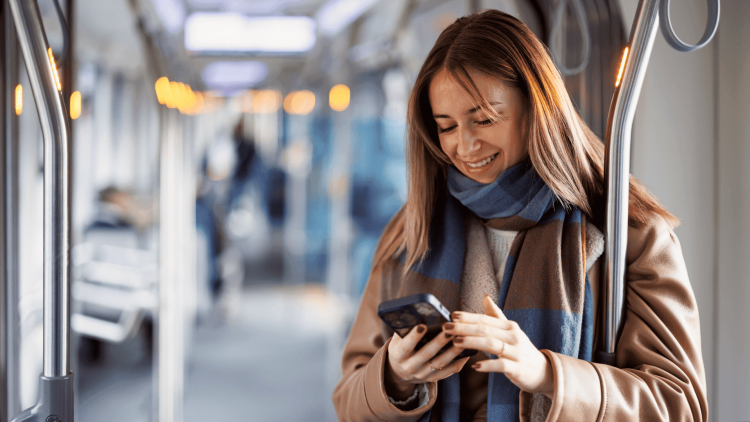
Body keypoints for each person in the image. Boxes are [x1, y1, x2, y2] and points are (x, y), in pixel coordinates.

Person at [332, 9, 707, 422]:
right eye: (447, 126)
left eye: (484, 119)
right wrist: (395, 377)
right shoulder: (414, 228)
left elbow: (680, 405)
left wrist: (548, 375)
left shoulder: (627, 230)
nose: (465, 146)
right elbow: (349, 398)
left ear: (536, 108)